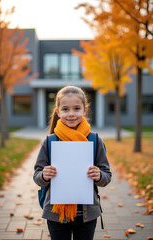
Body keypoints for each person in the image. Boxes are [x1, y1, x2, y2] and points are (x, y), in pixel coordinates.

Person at [33, 86, 112, 240]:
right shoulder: (50, 141)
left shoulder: (95, 140)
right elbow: (37, 176)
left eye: (76, 108)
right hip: (57, 214)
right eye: (65, 109)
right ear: (58, 111)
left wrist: (98, 175)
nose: (71, 114)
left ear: (85, 110)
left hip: (87, 215)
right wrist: (44, 174)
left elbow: (106, 176)